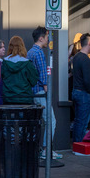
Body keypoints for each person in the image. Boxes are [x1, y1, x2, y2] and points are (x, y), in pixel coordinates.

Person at [28, 26, 61, 159]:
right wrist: (48, 93)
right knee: (51, 121)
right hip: (41, 92)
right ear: (41, 38)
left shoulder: (30, 52)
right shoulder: (40, 53)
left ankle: (42, 149)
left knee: (39, 122)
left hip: (33, 93)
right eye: (47, 38)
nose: (48, 40)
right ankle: (46, 151)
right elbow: (43, 75)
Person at [71, 34, 90, 152]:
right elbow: (87, 79)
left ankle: (76, 145)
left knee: (78, 121)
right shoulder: (85, 59)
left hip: (76, 91)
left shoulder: (76, 57)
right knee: (83, 122)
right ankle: (79, 148)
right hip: (84, 93)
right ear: (89, 43)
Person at [1, 36, 38, 104]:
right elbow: (34, 81)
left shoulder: (4, 63)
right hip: (25, 100)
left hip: (8, 99)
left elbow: (2, 78)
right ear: (22, 47)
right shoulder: (27, 63)